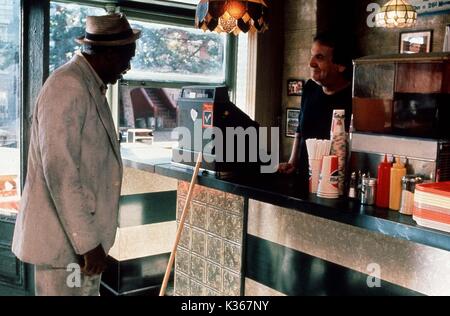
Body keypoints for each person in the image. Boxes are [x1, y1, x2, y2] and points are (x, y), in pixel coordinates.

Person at [12, 13, 141, 296]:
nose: (128, 67)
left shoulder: (87, 85)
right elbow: (61, 173)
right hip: (67, 247)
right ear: (108, 53)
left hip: (78, 246)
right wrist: (88, 244)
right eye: (126, 57)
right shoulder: (67, 86)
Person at [278, 32, 353, 194]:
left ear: (340, 65)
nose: (311, 63)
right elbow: (300, 130)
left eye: (319, 57)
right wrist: (293, 162)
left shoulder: (354, 97)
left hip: (336, 187)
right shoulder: (310, 89)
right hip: (304, 181)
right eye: (312, 56)